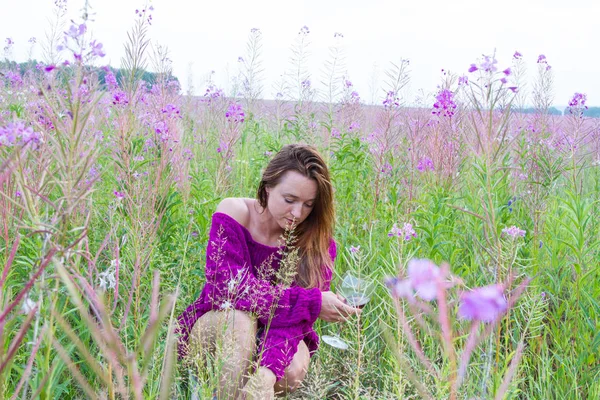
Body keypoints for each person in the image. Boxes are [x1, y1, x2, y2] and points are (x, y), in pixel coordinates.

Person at [177, 144, 361, 399]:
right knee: (240, 322)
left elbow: (298, 320)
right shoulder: (235, 212)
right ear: (267, 187)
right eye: (289, 200)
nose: (297, 213)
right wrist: (313, 302)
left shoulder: (318, 242)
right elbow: (229, 291)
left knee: (290, 367)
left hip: (278, 337)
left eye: (308, 204)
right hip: (218, 326)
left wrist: (267, 372)